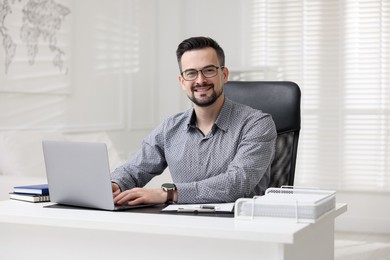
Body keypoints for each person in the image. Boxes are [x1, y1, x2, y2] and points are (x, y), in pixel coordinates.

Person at [111, 36, 276, 206]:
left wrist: (168, 193)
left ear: (224, 75)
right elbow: (135, 168)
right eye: (191, 73)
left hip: (237, 225)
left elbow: (237, 183)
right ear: (182, 82)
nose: (200, 80)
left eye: (209, 70)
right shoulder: (170, 128)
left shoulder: (257, 124)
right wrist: (114, 184)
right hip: (182, 224)